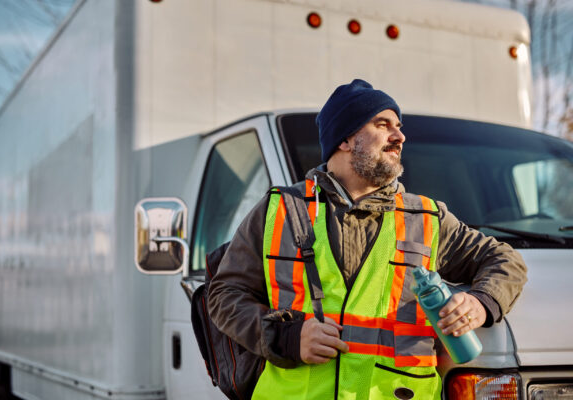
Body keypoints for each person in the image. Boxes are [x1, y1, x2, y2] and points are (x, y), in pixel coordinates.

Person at [208, 79, 527, 399]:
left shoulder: (427, 219)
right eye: (382, 124)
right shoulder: (279, 211)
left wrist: (481, 302)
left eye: (399, 126)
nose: (400, 136)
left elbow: (505, 260)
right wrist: (287, 337)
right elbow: (223, 295)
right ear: (345, 139)